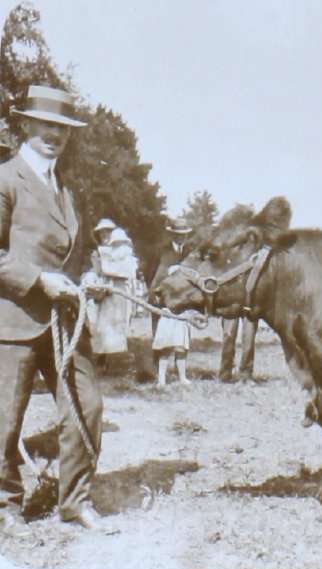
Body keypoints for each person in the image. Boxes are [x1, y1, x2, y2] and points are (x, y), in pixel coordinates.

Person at [0, 85, 104, 533]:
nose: (54, 134)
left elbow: (78, 254)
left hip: (65, 321)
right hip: (14, 317)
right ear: (25, 125)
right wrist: (39, 280)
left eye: (62, 128)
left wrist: (90, 278)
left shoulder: (69, 189)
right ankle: (5, 505)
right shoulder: (5, 179)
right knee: (4, 417)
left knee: (88, 407)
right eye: (45, 125)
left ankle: (74, 500)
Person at [150, 218, 194, 388]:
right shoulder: (161, 251)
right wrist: (154, 294)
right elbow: (152, 273)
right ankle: (159, 376)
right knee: (162, 340)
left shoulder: (189, 253)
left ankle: (180, 374)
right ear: (172, 235)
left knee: (182, 340)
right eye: (178, 235)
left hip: (183, 302)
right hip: (162, 301)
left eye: (184, 235)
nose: (181, 238)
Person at [82, 228, 138, 361]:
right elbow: (103, 269)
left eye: (121, 244)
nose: (119, 247)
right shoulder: (111, 259)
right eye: (116, 244)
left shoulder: (129, 260)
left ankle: (114, 355)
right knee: (104, 325)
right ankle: (102, 356)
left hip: (120, 294)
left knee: (117, 324)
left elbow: (122, 274)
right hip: (109, 295)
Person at [218, 316, 258, 384]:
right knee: (228, 336)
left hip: (249, 307)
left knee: (249, 337)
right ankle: (225, 373)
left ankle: (246, 375)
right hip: (231, 306)